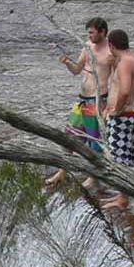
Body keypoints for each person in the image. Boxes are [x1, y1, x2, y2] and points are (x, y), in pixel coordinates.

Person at [47, 17, 114, 187]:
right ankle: (62, 171)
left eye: (92, 32)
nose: (89, 35)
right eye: (88, 33)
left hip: (98, 101)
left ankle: (93, 176)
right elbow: (77, 70)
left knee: (94, 141)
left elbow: (116, 80)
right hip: (82, 100)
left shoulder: (111, 51)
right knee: (69, 137)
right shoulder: (87, 46)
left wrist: (109, 105)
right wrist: (67, 62)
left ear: (102, 32)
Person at [100, 29, 134, 210]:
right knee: (125, 158)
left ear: (111, 45)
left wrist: (115, 111)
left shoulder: (125, 63)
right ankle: (122, 195)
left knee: (118, 159)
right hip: (132, 116)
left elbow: (125, 91)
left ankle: (123, 199)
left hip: (123, 117)